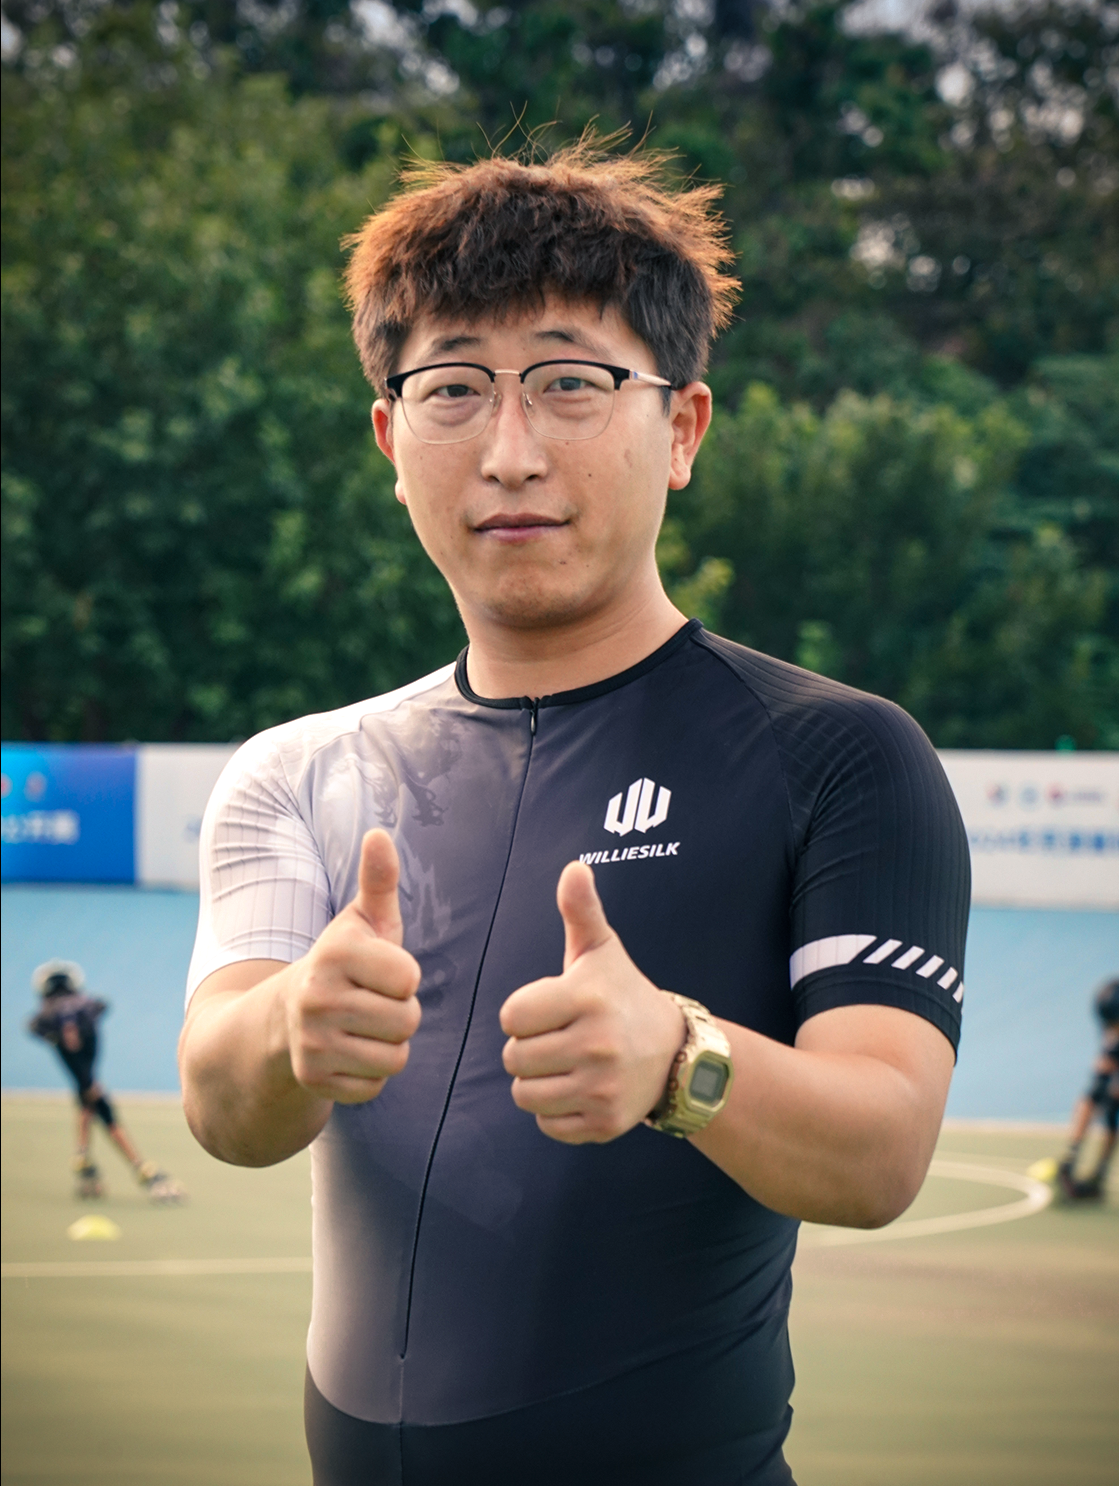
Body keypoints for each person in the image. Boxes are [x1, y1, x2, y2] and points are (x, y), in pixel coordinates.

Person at [178, 142, 970, 1486]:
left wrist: (679, 1058)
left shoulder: (837, 757)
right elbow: (219, 1102)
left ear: (682, 428)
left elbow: (883, 1146)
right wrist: (291, 1026)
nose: (509, 451)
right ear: (390, 440)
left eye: (569, 382)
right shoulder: (297, 771)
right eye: (452, 388)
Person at [28, 960, 185, 1203]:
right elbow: (99, 1007)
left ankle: (83, 1156)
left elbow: (38, 1027)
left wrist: (58, 1032)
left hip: (83, 1076)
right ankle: (140, 1168)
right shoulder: (85, 1004)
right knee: (101, 1109)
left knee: (88, 1100)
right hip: (87, 1075)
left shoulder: (47, 1014)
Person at [1057, 978, 1118, 1200]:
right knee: (1097, 1093)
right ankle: (1071, 1160)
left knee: (1112, 1107)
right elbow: (1102, 1071)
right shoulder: (1110, 1022)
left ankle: (1097, 1173)